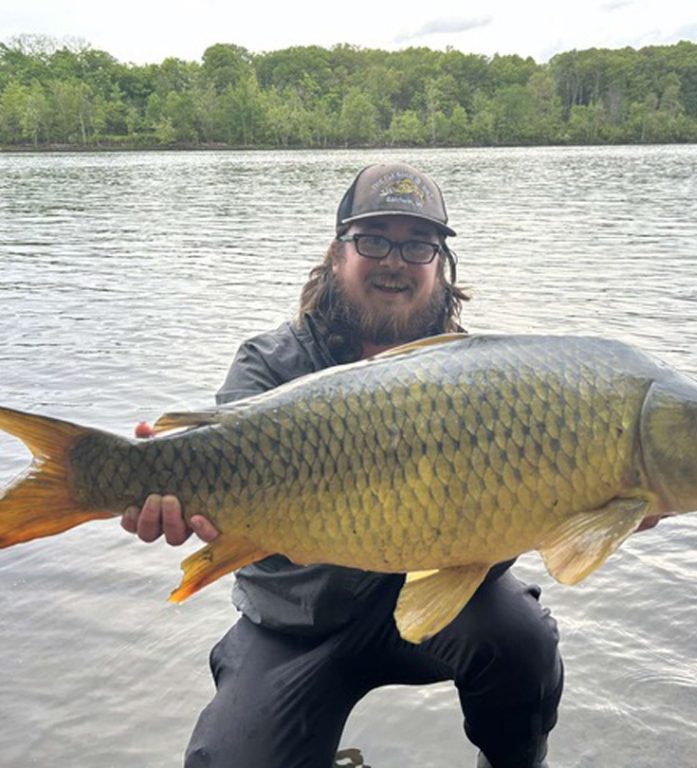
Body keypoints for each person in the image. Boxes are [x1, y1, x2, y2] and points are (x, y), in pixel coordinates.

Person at [122, 163, 564, 768]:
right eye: (374, 239)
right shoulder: (268, 363)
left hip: (432, 601)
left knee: (523, 642)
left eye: (418, 245)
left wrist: (603, 498)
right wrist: (161, 490)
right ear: (337, 254)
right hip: (296, 621)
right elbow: (214, 479)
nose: (395, 260)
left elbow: (504, 519)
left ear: (440, 266)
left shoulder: (476, 377)